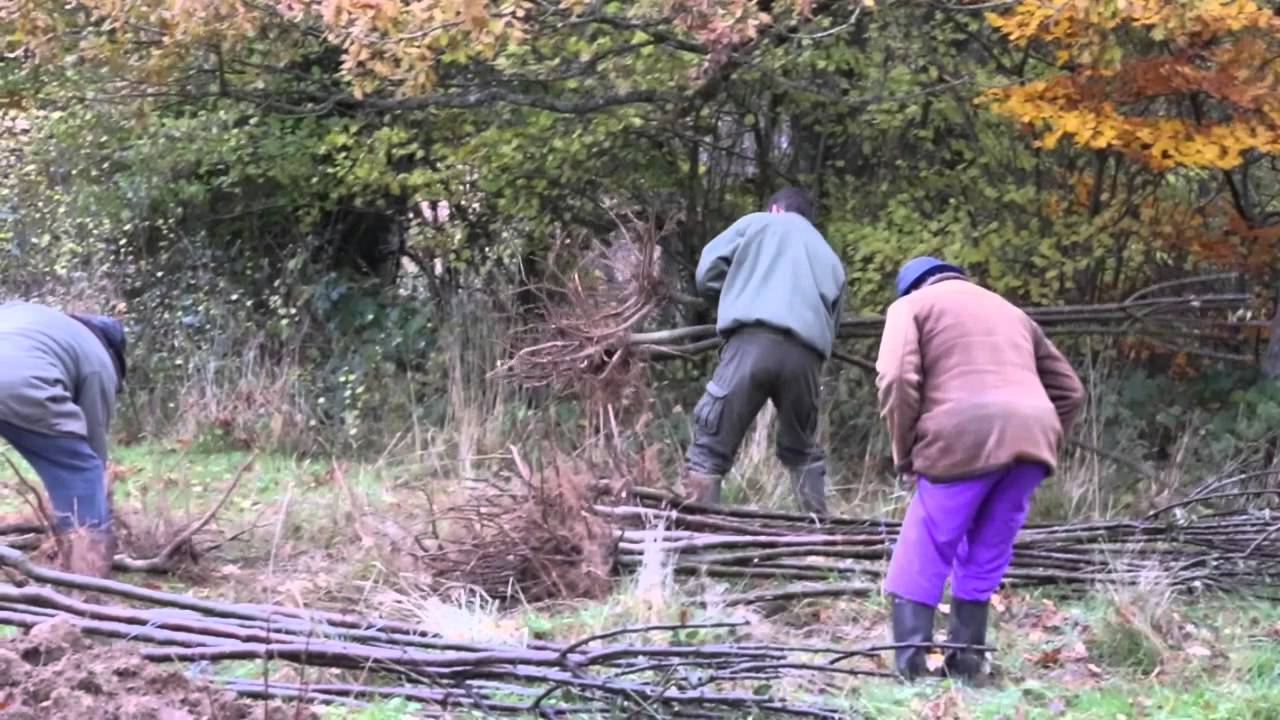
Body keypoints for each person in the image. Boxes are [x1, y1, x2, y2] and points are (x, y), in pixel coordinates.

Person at [874, 257, 1085, 682]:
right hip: (1032, 441)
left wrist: (905, 450)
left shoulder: (910, 308)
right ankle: (968, 666)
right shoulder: (1012, 312)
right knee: (987, 549)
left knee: (929, 540)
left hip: (962, 434)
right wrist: (1038, 434)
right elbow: (1072, 391)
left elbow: (896, 378)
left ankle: (911, 667)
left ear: (912, 287)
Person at [681, 187, 847, 516]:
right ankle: (817, 539)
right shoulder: (828, 254)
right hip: (806, 357)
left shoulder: (756, 224)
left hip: (750, 344)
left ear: (775, 209)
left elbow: (707, 274)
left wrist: (736, 294)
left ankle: (703, 544)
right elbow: (834, 320)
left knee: (710, 449)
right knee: (802, 451)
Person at [0, 300, 127, 577]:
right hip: (17, 383)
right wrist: (100, 500)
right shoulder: (98, 359)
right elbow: (94, 450)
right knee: (81, 470)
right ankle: (85, 581)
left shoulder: (31, 317)